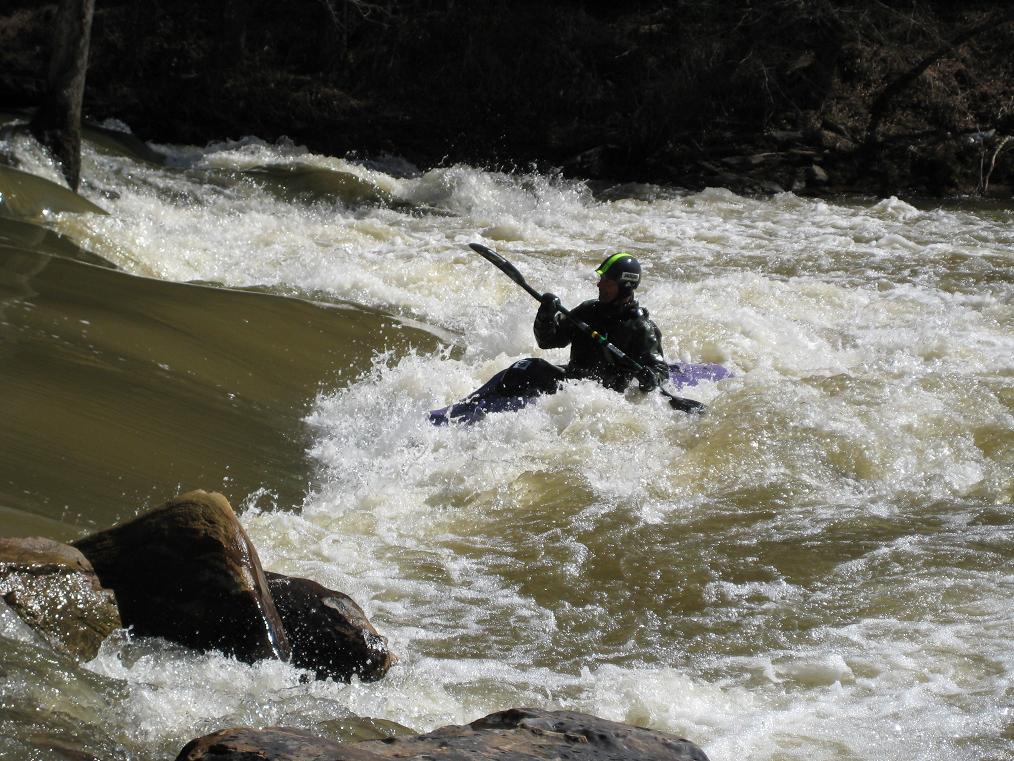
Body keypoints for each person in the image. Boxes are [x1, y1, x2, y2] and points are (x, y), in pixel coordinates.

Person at [494, 252, 669, 399]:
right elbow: (547, 341)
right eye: (601, 279)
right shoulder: (587, 311)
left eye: (607, 282)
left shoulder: (642, 328)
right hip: (572, 384)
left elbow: (659, 370)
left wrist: (651, 378)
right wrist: (545, 316)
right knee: (526, 367)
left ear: (625, 287)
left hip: (604, 398)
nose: (599, 284)